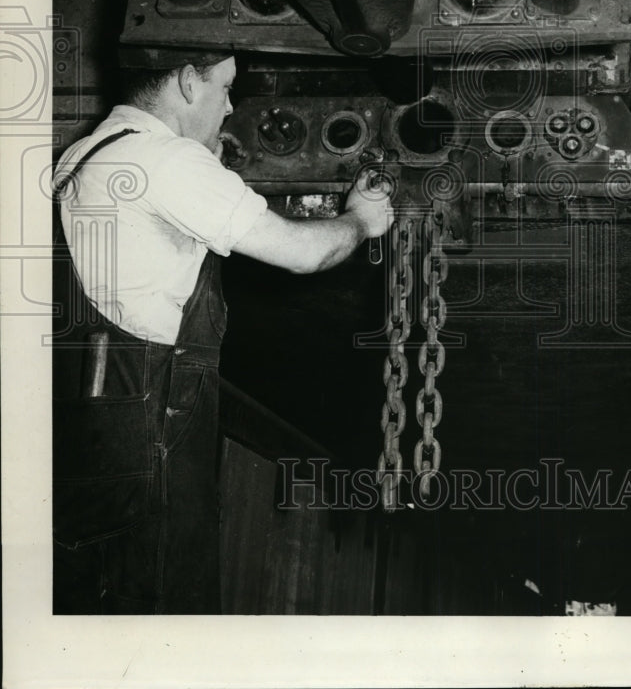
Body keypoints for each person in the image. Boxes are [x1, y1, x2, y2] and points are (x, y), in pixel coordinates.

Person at [51, 48, 394, 614]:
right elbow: (304, 253)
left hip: (90, 437)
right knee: (164, 608)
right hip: (149, 432)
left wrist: (210, 166)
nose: (231, 104)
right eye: (225, 87)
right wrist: (361, 219)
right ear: (188, 82)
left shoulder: (81, 155)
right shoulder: (163, 161)